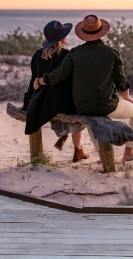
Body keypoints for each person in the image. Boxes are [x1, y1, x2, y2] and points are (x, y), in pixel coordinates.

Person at [34, 14, 133, 161]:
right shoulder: (112, 53)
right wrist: (127, 98)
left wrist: (40, 81)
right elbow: (121, 82)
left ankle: (102, 155)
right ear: (101, 32)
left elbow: (57, 76)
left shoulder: (74, 53)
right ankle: (129, 152)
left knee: (92, 116)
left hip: (82, 107)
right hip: (107, 105)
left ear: (83, 34)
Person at [23, 20, 89, 162]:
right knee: (79, 112)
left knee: (62, 105)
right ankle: (77, 149)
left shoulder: (37, 55)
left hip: (42, 100)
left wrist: (28, 101)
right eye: (65, 34)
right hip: (61, 101)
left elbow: (34, 80)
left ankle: (66, 136)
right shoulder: (67, 55)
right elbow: (73, 81)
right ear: (61, 39)